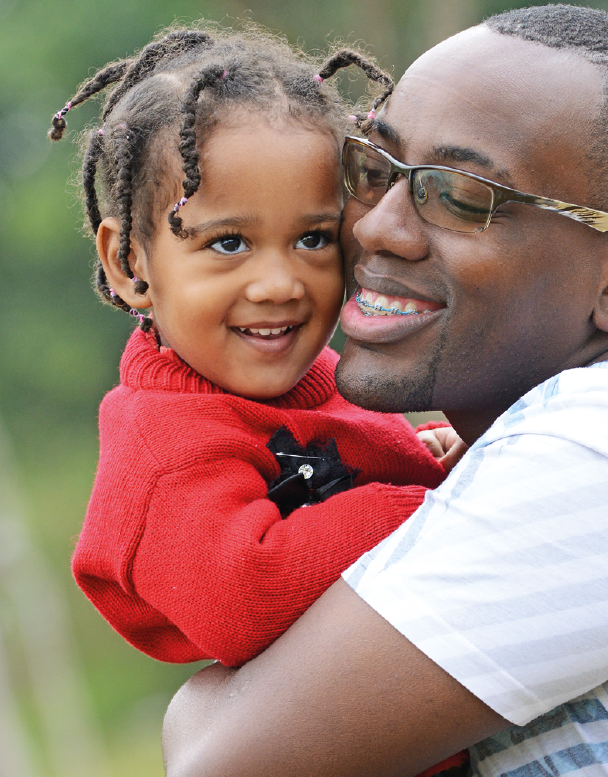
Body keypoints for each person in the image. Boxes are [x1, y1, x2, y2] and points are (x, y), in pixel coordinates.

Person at [162, 6, 608, 777]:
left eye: (460, 195)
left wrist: (201, 700)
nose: (375, 228)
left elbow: (215, 759)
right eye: (372, 169)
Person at [51, 26, 471, 777]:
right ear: (128, 262)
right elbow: (246, 590)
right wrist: (448, 503)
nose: (280, 282)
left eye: (313, 239)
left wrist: (432, 457)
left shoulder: (321, 378)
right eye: (227, 244)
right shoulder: (164, 445)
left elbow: (360, 472)